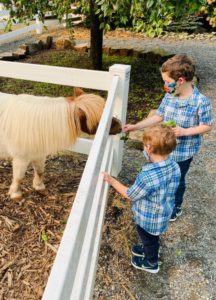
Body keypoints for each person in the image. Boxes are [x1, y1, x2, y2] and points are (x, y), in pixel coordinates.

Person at [123, 54, 213, 221]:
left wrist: (185, 131)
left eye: (166, 81)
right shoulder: (170, 95)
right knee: (160, 176)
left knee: (176, 179)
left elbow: (207, 125)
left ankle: (175, 205)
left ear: (180, 81)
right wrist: (135, 126)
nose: (164, 85)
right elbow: (159, 116)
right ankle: (158, 201)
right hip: (162, 148)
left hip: (182, 153)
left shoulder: (201, 102)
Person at [102, 124, 181, 273]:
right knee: (151, 238)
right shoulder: (175, 166)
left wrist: (112, 181)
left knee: (148, 237)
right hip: (164, 212)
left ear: (149, 148)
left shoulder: (147, 176)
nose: (144, 148)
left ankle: (151, 262)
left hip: (149, 219)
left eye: (145, 145)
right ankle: (149, 248)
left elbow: (130, 194)